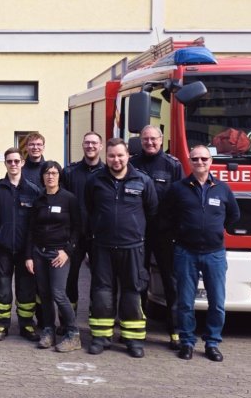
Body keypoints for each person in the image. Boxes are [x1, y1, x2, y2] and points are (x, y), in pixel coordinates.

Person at [163, 145, 239, 362]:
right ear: (190, 161)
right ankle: (187, 342)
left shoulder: (223, 189)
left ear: (211, 161)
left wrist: (214, 230)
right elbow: (166, 216)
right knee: (186, 302)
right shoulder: (178, 189)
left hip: (214, 254)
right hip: (185, 253)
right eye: (195, 159)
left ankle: (212, 342)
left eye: (204, 159)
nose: (200, 163)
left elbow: (234, 215)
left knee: (216, 302)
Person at [84, 138, 157, 358]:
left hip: (133, 247)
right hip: (103, 247)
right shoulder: (95, 181)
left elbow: (152, 212)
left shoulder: (143, 181)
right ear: (106, 157)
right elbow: (89, 209)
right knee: (102, 293)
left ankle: (133, 340)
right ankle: (101, 337)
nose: (116, 160)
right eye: (112, 156)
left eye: (120, 155)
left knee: (132, 293)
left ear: (128, 156)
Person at [129, 125, 184, 350]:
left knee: (172, 283)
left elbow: (180, 200)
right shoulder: (132, 164)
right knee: (137, 280)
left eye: (153, 139)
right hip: (138, 233)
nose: (150, 143)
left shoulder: (172, 165)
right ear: (140, 141)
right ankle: (136, 329)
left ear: (161, 140)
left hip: (165, 234)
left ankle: (175, 331)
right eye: (145, 139)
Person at [0, 147, 41, 342]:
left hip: (26, 250)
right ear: (5, 163)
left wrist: (31, 248)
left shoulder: (33, 190)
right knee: (3, 287)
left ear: (22, 163)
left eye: (17, 161)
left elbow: (37, 221)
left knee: (26, 288)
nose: (13, 164)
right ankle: (1, 324)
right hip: (3, 248)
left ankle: (26, 324)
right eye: (10, 161)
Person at [24, 161, 81, 352]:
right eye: (47, 173)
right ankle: (49, 330)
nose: (51, 176)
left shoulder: (69, 199)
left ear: (59, 176)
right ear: (42, 176)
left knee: (58, 293)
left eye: (55, 173)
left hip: (59, 253)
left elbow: (77, 228)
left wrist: (67, 251)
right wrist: (29, 256)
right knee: (45, 294)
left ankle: (73, 334)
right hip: (39, 253)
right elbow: (31, 230)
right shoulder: (38, 200)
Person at [61, 131, 105, 319]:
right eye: (87, 143)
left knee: (99, 279)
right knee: (70, 278)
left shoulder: (107, 173)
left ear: (101, 146)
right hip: (75, 235)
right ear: (83, 145)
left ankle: (96, 316)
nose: (90, 146)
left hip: (99, 235)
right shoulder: (70, 172)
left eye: (94, 143)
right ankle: (68, 320)